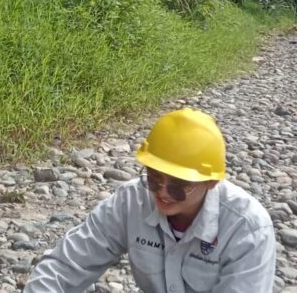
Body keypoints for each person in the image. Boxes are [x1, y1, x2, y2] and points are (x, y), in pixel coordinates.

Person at [25, 109, 277, 293]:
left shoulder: (248, 228)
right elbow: (65, 266)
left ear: (211, 183)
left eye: (179, 186)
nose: (163, 193)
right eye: (154, 178)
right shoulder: (130, 201)